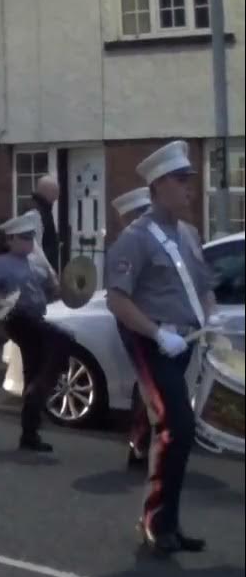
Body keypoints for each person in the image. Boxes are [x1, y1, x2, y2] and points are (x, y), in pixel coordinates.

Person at [106, 141, 219, 555]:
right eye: (181, 181)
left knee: (173, 430)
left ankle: (164, 519)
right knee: (178, 427)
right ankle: (157, 523)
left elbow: (203, 287)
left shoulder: (188, 234)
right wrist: (157, 334)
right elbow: (117, 299)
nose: (189, 188)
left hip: (186, 341)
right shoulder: (136, 238)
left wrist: (210, 318)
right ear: (158, 186)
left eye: (189, 180)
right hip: (154, 342)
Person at [0, 212, 69, 452]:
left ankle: (29, 433)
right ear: (10, 241)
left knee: (34, 366)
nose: (28, 241)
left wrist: (62, 286)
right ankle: (38, 391)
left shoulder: (37, 262)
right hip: (17, 318)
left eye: (31, 236)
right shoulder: (1, 264)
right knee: (62, 341)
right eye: (23, 237)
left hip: (37, 316)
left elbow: (52, 289)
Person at [107, 187, 153, 469]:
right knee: (148, 383)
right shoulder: (127, 245)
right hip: (135, 322)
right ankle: (139, 443)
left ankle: (144, 442)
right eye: (143, 214)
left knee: (149, 383)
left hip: (152, 321)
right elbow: (121, 296)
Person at [29, 175, 64, 273]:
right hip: (40, 271)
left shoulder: (44, 210)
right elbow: (35, 247)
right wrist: (49, 270)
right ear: (48, 192)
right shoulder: (36, 213)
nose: (57, 197)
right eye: (55, 193)